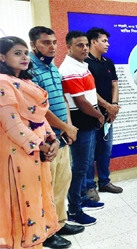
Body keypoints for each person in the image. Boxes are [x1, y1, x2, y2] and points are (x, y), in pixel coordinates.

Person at [0, 36, 60, 249]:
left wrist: (52, 138)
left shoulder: (27, 82)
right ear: (2, 57)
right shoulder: (2, 82)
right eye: (17, 53)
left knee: (38, 199)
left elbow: (39, 118)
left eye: (25, 53)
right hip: (17, 153)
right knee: (22, 203)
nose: (24, 57)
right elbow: (13, 125)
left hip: (36, 152)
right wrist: (42, 145)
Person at [28, 26, 84, 249]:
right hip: (47, 140)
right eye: (45, 43)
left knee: (62, 183)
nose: (51, 47)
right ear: (33, 44)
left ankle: (59, 223)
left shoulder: (52, 68)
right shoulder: (30, 70)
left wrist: (68, 126)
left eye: (54, 42)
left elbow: (60, 98)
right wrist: (63, 127)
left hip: (62, 136)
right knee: (46, 189)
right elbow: (40, 108)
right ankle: (47, 231)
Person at [60, 30, 105, 226]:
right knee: (79, 168)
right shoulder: (69, 69)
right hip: (81, 119)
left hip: (89, 119)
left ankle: (82, 200)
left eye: (86, 44)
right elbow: (80, 102)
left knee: (84, 165)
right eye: (79, 45)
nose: (85, 48)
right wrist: (99, 115)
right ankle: (74, 210)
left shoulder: (81, 65)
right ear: (69, 47)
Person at [84, 27, 123, 200]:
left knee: (105, 149)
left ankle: (105, 181)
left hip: (108, 115)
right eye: (104, 41)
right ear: (93, 41)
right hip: (90, 115)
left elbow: (115, 85)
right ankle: (89, 186)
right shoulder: (84, 63)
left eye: (107, 41)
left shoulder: (108, 62)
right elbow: (88, 90)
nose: (108, 44)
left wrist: (113, 106)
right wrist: (107, 106)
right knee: (89, 152)